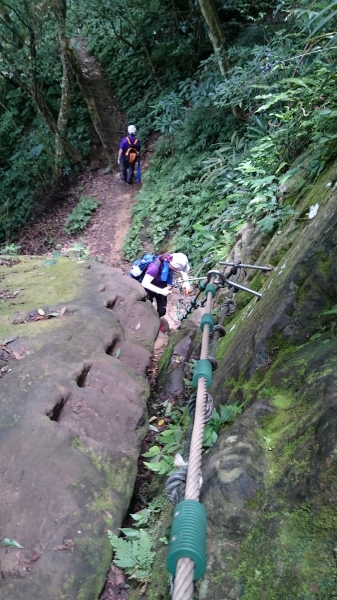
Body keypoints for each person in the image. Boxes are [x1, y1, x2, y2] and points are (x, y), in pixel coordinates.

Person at [142, 252, 191, 318]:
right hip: (149, 289)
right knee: (148, 309)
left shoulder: (170, 259)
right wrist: (161, 291)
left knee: (162, 311)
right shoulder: (154, 267)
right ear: (172, 265)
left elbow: (182, 270)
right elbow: (145, 283)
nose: (177, 271)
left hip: (162, 287)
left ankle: (157, 319)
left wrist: (186, 282)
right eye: (177, 269)